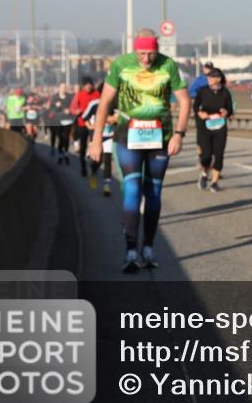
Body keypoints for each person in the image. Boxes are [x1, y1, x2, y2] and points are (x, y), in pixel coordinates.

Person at [87, 29, 190, 273]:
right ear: (135, 50)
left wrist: (179, 134)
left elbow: (185, 101)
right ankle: (131, 249)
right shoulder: (121, 65)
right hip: (127, 135)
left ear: (157, 50)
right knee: (132, 188)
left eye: (151, 54)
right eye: (141, 54)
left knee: (153, 193)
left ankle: (149, 247)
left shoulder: (168, 65)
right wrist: (96, 140)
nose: (146, 59)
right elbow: (104, 103)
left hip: (160, 136)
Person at [194, 67, 235, 192]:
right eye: (208, 76)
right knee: (206, 156)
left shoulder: (225, 92)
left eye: (211, 76)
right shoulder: (203, 91)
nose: (209, 78)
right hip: (205, 127)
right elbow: (195, 106)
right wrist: (200, 113)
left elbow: (230, 109)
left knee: (219, 155)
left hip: (220, 127)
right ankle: (204, 174)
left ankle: (214, 182)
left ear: (218, 78)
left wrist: (226, 112)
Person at [82, 85, 117, 196]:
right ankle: (93, 172)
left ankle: (107, 185)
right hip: (96, 137)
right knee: (96, 160)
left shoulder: (115, 104)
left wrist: (112, 120)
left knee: (107, 159)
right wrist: (90, 127)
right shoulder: (94, 104)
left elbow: (118, 118)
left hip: (109, 136)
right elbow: (84, 117)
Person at [70, 77, 100, 178]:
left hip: (94, 125)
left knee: (94, 146)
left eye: (90, 84)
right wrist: (76, 111)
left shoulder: (96, 94)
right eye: (86, 85)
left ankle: (94, 166)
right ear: (83, 86)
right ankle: (83, 167)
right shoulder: (79, 95)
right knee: (83, 147)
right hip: (82, 124)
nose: (88, 86)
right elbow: (72, 108)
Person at [45, 83, 74, 164]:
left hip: (67, 120)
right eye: (61, 87)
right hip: (57, 120)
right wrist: (56, 107)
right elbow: (50, 109)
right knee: (61, 138)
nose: (63, 89)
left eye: (64, 87)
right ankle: (60, 155)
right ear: (59, 88)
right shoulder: (55, 97)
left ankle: (66, 154)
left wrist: (70, 110)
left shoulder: (70, 97)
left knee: (66, 138)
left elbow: (73, 106)